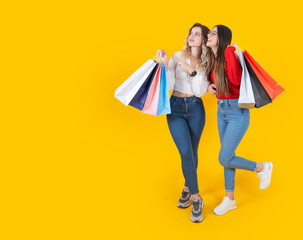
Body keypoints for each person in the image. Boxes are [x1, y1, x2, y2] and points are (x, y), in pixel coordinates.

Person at [206, 25, 273, 215]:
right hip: (222, 110)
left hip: (237, 112)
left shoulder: (228, 52)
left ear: (223, 37)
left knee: (225, 157)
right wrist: (212, 88)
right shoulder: (215, 59)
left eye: (213, 33)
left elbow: (235, 80)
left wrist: (229, 50)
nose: (208, 35)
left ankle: (261, 167)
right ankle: (230, 199)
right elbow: (223, 84)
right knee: (229, 158)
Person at [157, 23, 211, 223]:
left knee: (192, 152)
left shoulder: (206, 62)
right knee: (186, 152)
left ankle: (188, 188)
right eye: (191, 32)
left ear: (204, 39)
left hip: (196, 108)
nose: (192, 36)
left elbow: (200, 91)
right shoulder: (177, 56)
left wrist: (192, 70)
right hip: (176, 107)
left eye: (197, 34)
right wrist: (164, 65)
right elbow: (169, 85)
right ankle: (197, 199)